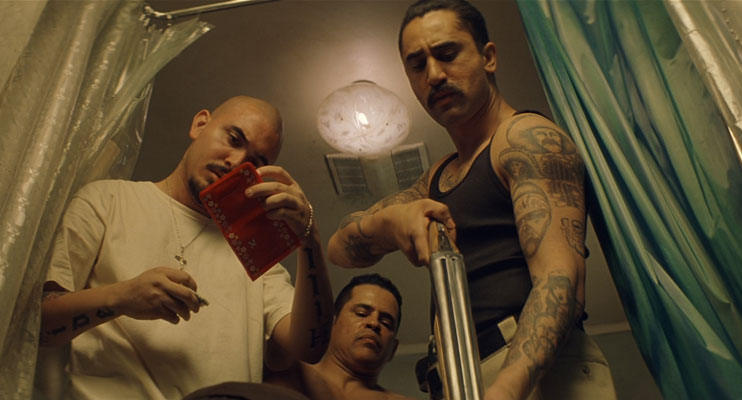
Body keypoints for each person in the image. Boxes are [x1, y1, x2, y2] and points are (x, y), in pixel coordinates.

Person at [327, 1, 616, 399]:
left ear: (488, 57)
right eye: (417, 65)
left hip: (532, 372)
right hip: (459, 375)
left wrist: (506, 390)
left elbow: (561, 280)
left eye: (447, 54)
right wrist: (387, 224)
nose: (433, 75)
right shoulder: (438, 176)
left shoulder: (525, 138)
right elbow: (339, 250)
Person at [39, 96, 333, 399]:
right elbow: (40, 324)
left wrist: (309, 239)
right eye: (233, 139)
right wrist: (122, 298)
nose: (235, 163)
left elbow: (309, 347)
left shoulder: (254, 251)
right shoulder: (108, 199)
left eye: (254, 163)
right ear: (200, 124)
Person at [265, 273, 414, 400]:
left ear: (393, 349)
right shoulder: (287, 369)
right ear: (330, 323)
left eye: (386, 323)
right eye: (361, 314)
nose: (374, 323)